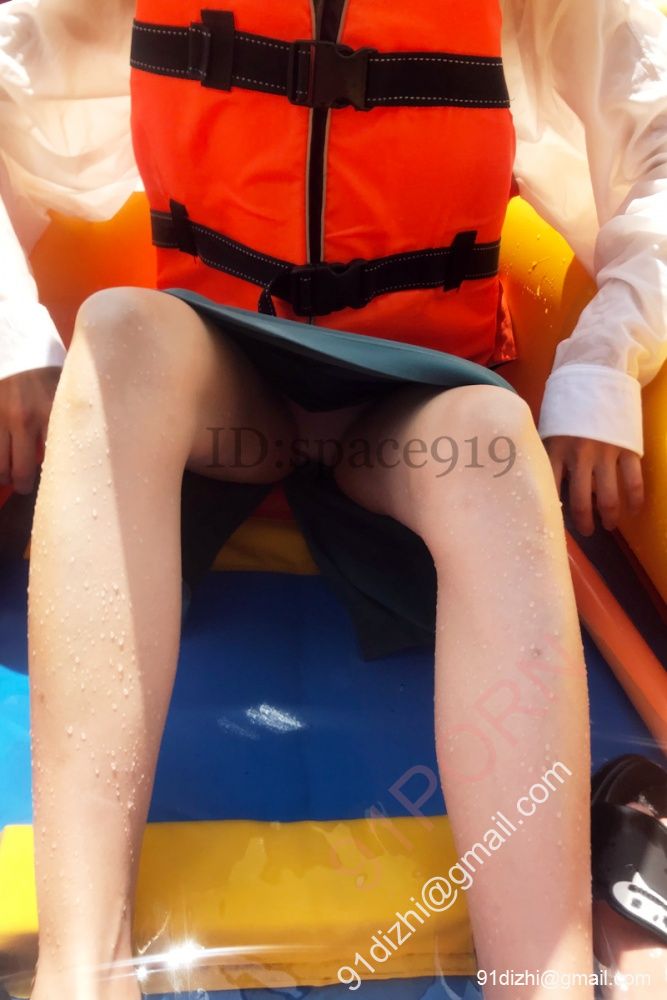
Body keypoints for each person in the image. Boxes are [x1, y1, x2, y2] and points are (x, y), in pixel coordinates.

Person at [0, 1, 666, 998]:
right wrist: (15, 342)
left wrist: (601, 366)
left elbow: (654, 152)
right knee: (117, 338)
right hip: (222, 372)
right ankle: (82, 974)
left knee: (497, 445)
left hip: (408, 399)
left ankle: (543, 980)